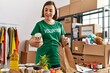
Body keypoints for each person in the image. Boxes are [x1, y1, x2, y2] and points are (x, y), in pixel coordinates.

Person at [29, 0, 68, 69]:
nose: (47, 12)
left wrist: (65, 41)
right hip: (42, 61)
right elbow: (31, 40)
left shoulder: (59, 25)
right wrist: (33, 42)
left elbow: (63, 41)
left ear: (54, 12)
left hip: (57, 60)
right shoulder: (39, 25)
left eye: (50, 10)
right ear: (43, 11)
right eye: (46, 10)